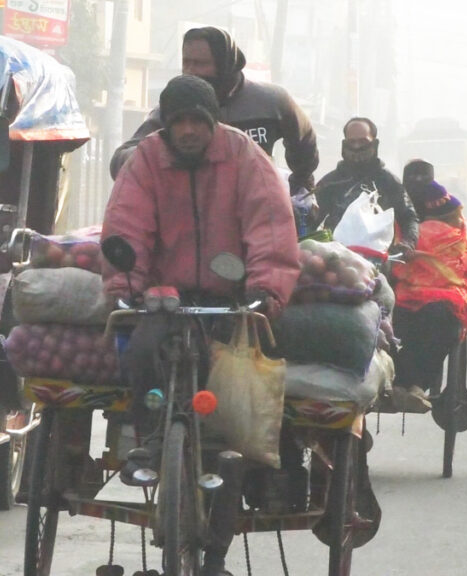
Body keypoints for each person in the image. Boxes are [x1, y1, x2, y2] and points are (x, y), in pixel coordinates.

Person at [102, 75, 300, 576]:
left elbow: (270, 226)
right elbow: (127, 224)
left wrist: (265, 290)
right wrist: (127, 285)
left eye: (197, 121)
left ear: (214, 122)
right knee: (142, 351)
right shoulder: (147, 159)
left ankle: (218, 548)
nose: (188, 130)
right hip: (164, 298)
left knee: (234, 412)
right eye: (179, 122)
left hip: (229, 300)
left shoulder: (244, 157)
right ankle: (152, 439)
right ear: (166, 126)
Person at [109, 26, 319, 196]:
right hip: (195, 211)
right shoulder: (174, 109)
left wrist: (299, 182)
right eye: (186, 63)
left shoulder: (271, 101)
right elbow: (121, 160)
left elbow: (304, 141)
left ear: (225, 64)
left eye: (200, 64)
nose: (190, 71)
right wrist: (157, 153)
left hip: (256, 206)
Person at [387, 160, 467, 412]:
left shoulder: (443, 207)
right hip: (406, 289)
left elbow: (462, 253)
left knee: (438, 321)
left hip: (430, 293)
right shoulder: (393, 205)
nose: (417, 184)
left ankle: (411, 384)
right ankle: (404, 383)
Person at [313, 117, 419, 252]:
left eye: (363, 142)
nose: (357, 147)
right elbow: (312, 220)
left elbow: (409, 217)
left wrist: (408, 242)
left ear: (375, 144)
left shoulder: (388, 181)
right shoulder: (329, 183)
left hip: (377, 256)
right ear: (344, 144)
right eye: (352, 142)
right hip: (336, 256)